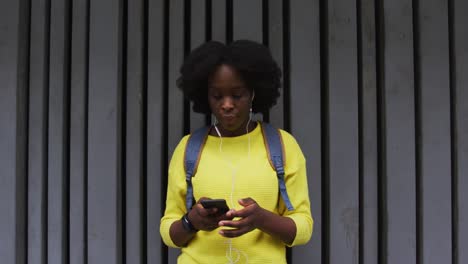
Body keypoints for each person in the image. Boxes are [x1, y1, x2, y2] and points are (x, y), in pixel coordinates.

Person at [160, 40, 313, 264]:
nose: (227, 104)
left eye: (237, 94)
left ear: (253, 93)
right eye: (217, 96)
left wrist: (262, 219)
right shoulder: (189, 148)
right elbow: (168, 231)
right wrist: (191, 222)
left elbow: (304, 227)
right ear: (206, 96)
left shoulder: (282, 146)